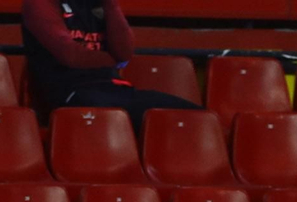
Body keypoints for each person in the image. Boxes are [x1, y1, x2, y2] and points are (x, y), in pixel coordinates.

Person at [21, 0, 197, 132]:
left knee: (196, 116)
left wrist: (111, 6)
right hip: (71, 93)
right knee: (129, 116)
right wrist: (112, 60)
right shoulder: (40, 3)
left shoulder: (99, 5)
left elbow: (124, 53)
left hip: (115, 89)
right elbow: (71, 56)